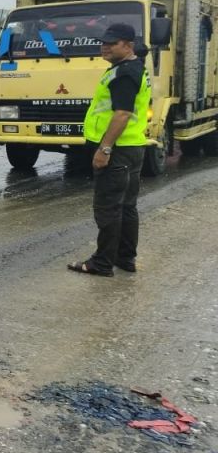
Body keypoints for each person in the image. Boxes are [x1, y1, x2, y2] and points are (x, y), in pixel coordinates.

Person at [68, 22, 150, 277]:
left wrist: (104, 149)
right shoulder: (130, 67)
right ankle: (125, 259)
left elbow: (122, 114)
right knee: (126, 206)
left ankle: (102, 263)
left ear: (128, 45)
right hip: (132, 148)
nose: (104, 47)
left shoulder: (124, 73)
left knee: (108, 207)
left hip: (118, 151)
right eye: (103, 42)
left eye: (111, 43)